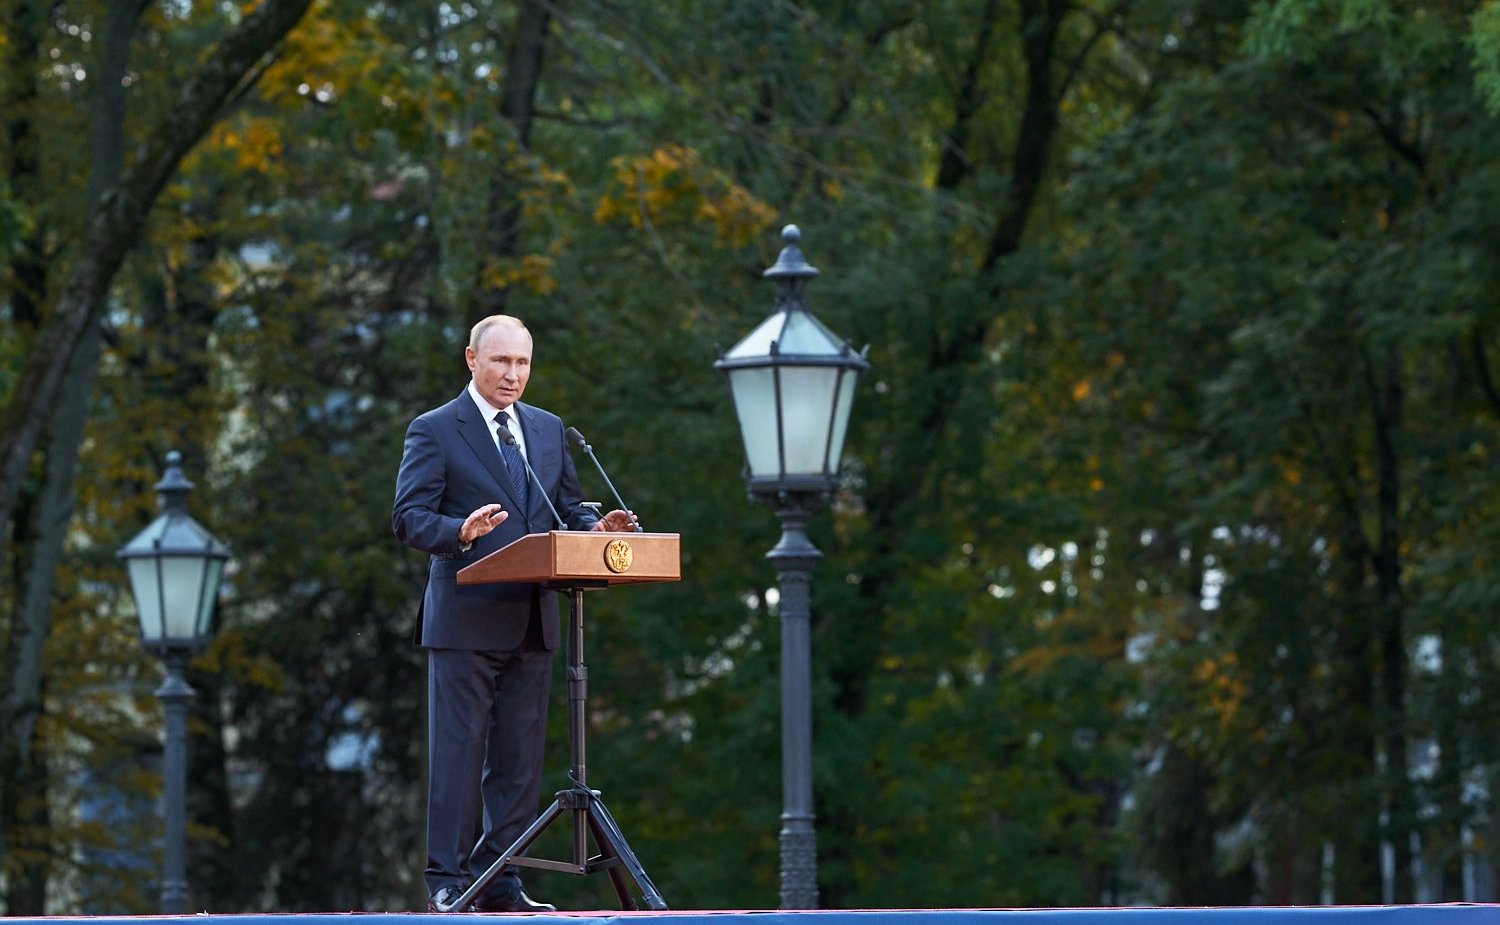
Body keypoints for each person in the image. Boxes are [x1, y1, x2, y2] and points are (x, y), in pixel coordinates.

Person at [392, 314, 637, 913]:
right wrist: (460, 531)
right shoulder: (435, 430)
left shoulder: (548, 430)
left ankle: (499, 880)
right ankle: (448, 882)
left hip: (534, 619)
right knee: (459, 755)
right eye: (501, 361)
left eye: (522, 363)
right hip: (466, 620)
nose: (513, 375)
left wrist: (594, 529)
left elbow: (566, 509)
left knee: (519, 766)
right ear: (471, 359)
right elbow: (409, 517)